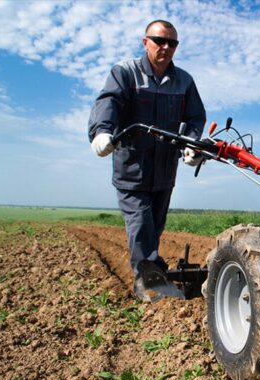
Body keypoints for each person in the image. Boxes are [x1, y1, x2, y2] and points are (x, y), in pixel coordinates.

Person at [88, 20, 206, 301]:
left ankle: (149, 273)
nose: (165, 47)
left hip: (165, 168)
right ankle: (150, 280)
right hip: (132, 167)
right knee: (140, 223)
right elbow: (109, 103)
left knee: (154, 225)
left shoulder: (184, 81)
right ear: (145, 42)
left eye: (172, 43)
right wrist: (101, 132)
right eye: (159, 41)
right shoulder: (125, 73)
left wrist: (190, 143)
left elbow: (195, 117)